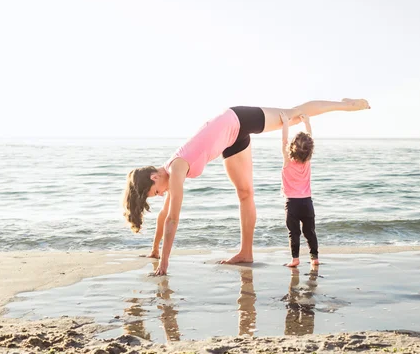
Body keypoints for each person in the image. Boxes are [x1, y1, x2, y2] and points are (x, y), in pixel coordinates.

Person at [122, 99, 370, 275]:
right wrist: (155, 251)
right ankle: (246, 252)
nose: (161, 194)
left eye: (156, 192)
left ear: (154, 177)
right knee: (245, 193)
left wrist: (164, 263)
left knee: (293, 114)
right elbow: (165, 214)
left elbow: (172, 219)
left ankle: (345, 105)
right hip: (229, 143)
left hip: (237, 118)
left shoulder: (175, 168)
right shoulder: (171, 170)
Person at [280, 112, 319, 267]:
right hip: (307, 203)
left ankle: (295, 259)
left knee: (294, 233)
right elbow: (311, 140)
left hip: (292, 204)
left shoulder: (287, 159)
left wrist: (285, 123)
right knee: (310, 232)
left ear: (292, 147)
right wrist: (307, 123)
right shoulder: (307, 160)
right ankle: (314, 258)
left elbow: (283, 140)